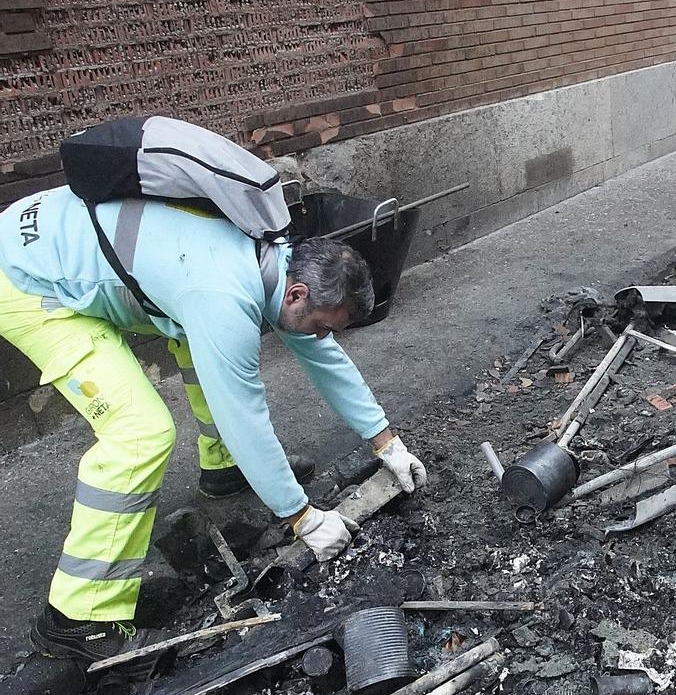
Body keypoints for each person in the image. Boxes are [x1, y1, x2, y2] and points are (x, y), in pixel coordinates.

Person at [0, 180, 428, 662]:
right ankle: (78, 618)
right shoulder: (223, 297)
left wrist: (385, 442)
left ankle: (222, 468)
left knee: (199, 343)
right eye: (323, 324)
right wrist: (301, 516)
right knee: (141, 432)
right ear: (299, 295)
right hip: (28, 275)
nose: (324, 337)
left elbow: (324, 357)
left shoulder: (275, 258)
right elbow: (244, 415)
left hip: (69, 233)